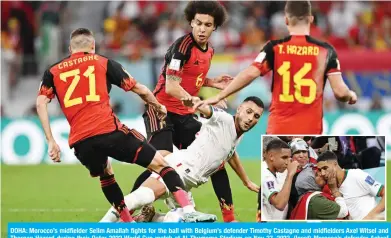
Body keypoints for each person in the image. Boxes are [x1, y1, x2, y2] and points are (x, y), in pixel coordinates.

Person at [36, 28, 216, 223]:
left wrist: (51, 140)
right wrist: (157, 105)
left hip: (80, 142)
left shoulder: (53, 71)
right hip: (109, 131)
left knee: (106, 173)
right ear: (93, 46)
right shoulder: (102, 62)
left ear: (70, 48)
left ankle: (127, 223)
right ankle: (189, 211)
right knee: (162, 164)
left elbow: (40, 103)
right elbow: (139, 89)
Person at [133, 1, 239, 222]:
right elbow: (172, 86)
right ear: (191, 22)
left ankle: (230, 219)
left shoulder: (209, 51)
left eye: (207, 25)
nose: (201, 28)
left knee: (217, 159)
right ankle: (129, 211)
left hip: (183, 113)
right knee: (161, 162)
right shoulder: (181, 47)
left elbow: (189, 78)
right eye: (198, 23)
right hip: (160, 109)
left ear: (214, 28)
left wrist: (210, 81)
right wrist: (196, 100)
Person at [198, 0, 358, 134]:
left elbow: (250, 73)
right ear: (310, 19)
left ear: (286, 20)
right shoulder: (326, 51)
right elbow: (339, 92)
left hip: (277, 131)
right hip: (309, 132)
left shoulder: (274, 48)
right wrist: (350, 95)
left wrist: (220, 96)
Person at [100, 96, 263, 222]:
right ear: (240, 108)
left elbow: (230, 153)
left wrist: (246, 180)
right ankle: (101, 227)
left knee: (189, 226)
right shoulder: (224, 119)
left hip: (187, 184)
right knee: (141, 197)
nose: (250, 119)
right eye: (248, 112)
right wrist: (194, 101)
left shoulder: (235, 135)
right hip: (178, 169)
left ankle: (151, 218)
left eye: (256, 116)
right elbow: (206, 109)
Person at [317, 151, 385, 220]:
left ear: (335, 164)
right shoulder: (329, 188)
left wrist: (370, 216)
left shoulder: (357, 175)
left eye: (325, 168)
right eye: (320, 170)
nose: (322, 173)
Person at [262, 139, 299, 220]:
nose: (287, 162)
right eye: (284, 157)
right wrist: (290, 174)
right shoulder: (265, 175)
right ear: (271, 156)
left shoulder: (274, 172)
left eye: (289, 158)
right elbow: (280, 204)